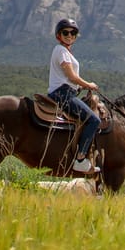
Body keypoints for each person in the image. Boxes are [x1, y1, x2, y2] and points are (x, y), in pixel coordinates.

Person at [47, 18, 101, 173]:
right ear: (59, 35)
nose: (69, 35)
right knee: (93, 120)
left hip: (67, 92)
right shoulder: (61, 51)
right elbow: (71, 76)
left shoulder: (65, 52)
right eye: (66, 32)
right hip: (62, 94)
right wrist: (88, 85)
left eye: (73, 33)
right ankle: (80, 159)